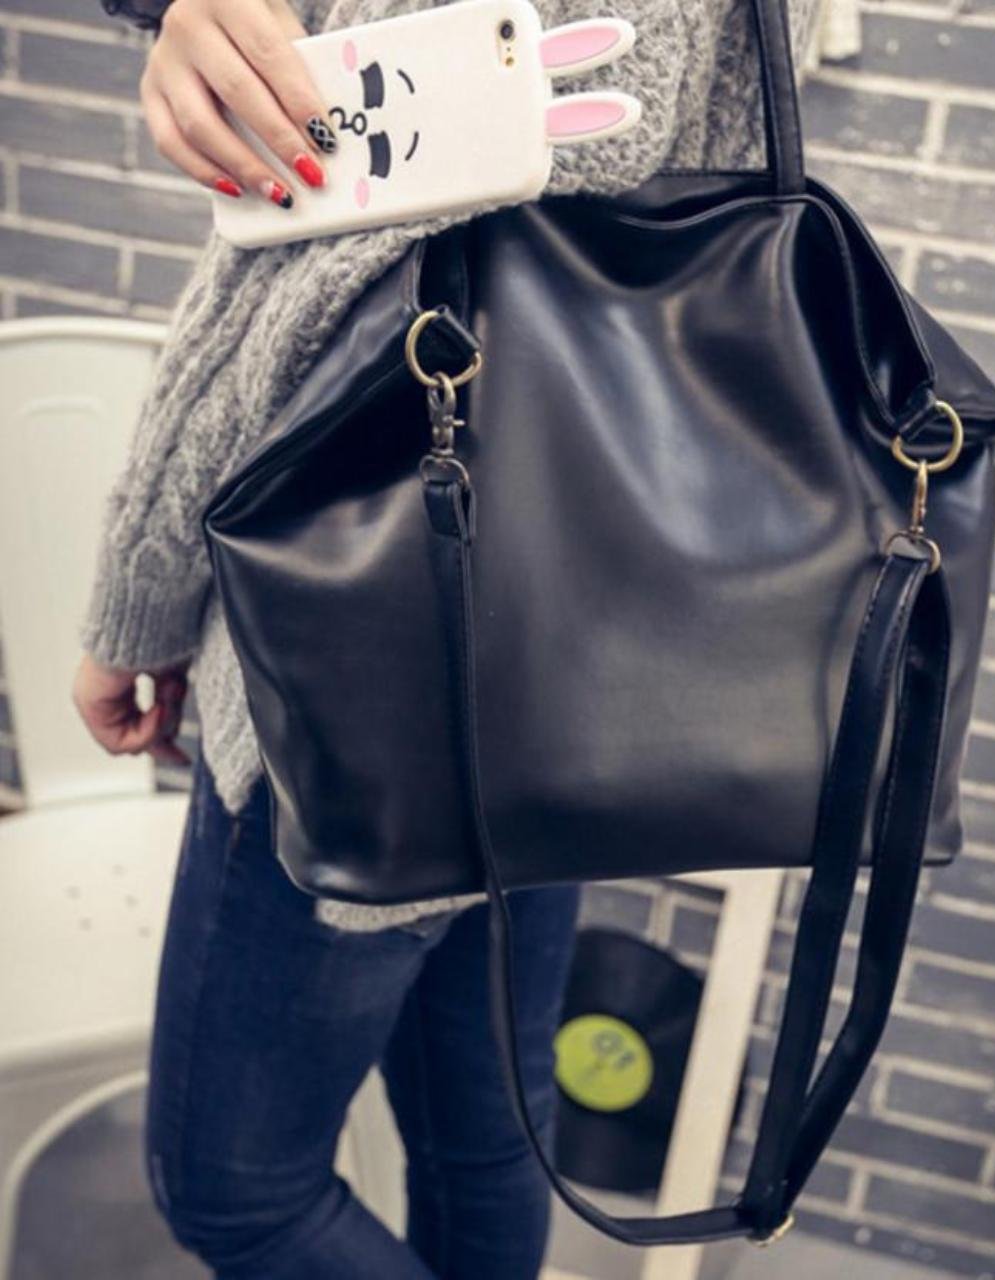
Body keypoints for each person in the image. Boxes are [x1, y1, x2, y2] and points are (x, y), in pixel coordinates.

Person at [72, 1, 834, 1275]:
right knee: (480, 1139)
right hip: (573, 664)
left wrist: (137, 602)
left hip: (362, 674)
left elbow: (306, 275)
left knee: (233, 1189)